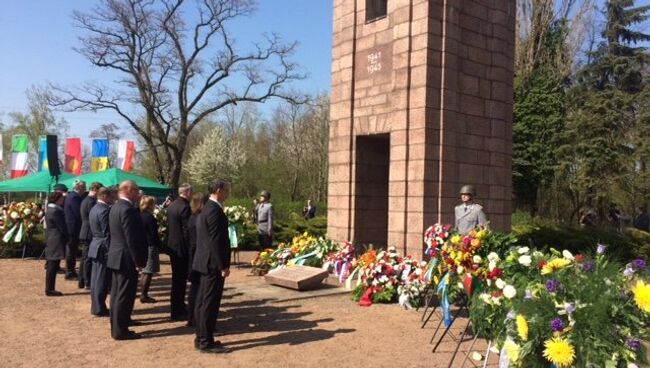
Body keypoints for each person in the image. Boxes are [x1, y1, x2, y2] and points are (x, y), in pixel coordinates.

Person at [193, 179, 231, 353]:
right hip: (212, 263)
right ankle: (205, 341)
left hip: (204, 260)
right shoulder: (213, 210)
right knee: (209, 302)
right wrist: (223, 265)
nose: (228, 192)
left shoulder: (207, 207)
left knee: (203, 301)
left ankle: (201, 337)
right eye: (226, 189)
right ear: (218, 190)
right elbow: (216, 240)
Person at [107, 180, 148, 340]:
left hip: (116, 255)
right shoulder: (127, 210)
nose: (138, 193)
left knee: (117, 294)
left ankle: (119, 325)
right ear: (129, 190)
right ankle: (120, 330)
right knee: (124, 294)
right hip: (125, 257)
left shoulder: (116, 207)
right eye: (136, 190)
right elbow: (131, 238)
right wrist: (138, 261)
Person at [166, 184, 193, 321]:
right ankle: (178, 310)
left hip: (173, 246)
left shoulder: (172, 205)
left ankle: (176, 307)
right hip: (182, 248)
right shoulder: (185, 207)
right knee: (180, 281)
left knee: (177, 279)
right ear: (187, 192)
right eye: (191, 192)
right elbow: (187, 230)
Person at [88, 187, 116, 317]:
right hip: (102, 247)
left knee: (96, 278)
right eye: (111, 196)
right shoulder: (104, 210)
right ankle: (99, 307)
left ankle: (97, 306)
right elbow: (107, 232)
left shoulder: (95, 208)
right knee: (101, 279)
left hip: (96, 245)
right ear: (105, 196)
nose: (113, 199)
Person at [187, 192, 207, 327]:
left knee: (195, 288)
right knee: (199, 290)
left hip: (193, 256)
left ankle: (192, 316)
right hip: (198, 256)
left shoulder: (192, 217)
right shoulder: (199, 218)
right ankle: (196, 317)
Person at [78, 182, 103, 289]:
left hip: (85, 230)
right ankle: (87, 281)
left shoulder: (86, 200)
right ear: (96, 190)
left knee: (85, 258)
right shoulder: (91, 202)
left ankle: (82, 280)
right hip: (89, 232)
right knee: (88, 258)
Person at [44, 191, 68, 296]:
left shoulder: (50, 209)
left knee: (52, 264)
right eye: (62, 199)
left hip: (52, 238)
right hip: (56, 239)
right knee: (52, 265)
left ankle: (50, 288)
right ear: (57, 199)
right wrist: (67, 236)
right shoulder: (55, 211)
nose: (63, 200)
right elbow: (61, 226)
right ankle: (50, 289)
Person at [139, 195, 162, 304]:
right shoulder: (149, 217)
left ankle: (143, 293)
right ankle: (144, 294)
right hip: (150, 246)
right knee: (148, 272)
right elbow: (153, 234)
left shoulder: (139, 215)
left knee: (145, 271)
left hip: (142, 245)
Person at [64, 180, 86, 279]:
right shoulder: (74, 197)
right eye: (84, 187)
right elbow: (78, 212)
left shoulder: (73, 196)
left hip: (72, 227)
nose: (85, 189)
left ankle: (70, 270)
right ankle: (69, 271)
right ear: (79, 188)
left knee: (72, 250)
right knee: (71, 250)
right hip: (72, 228)